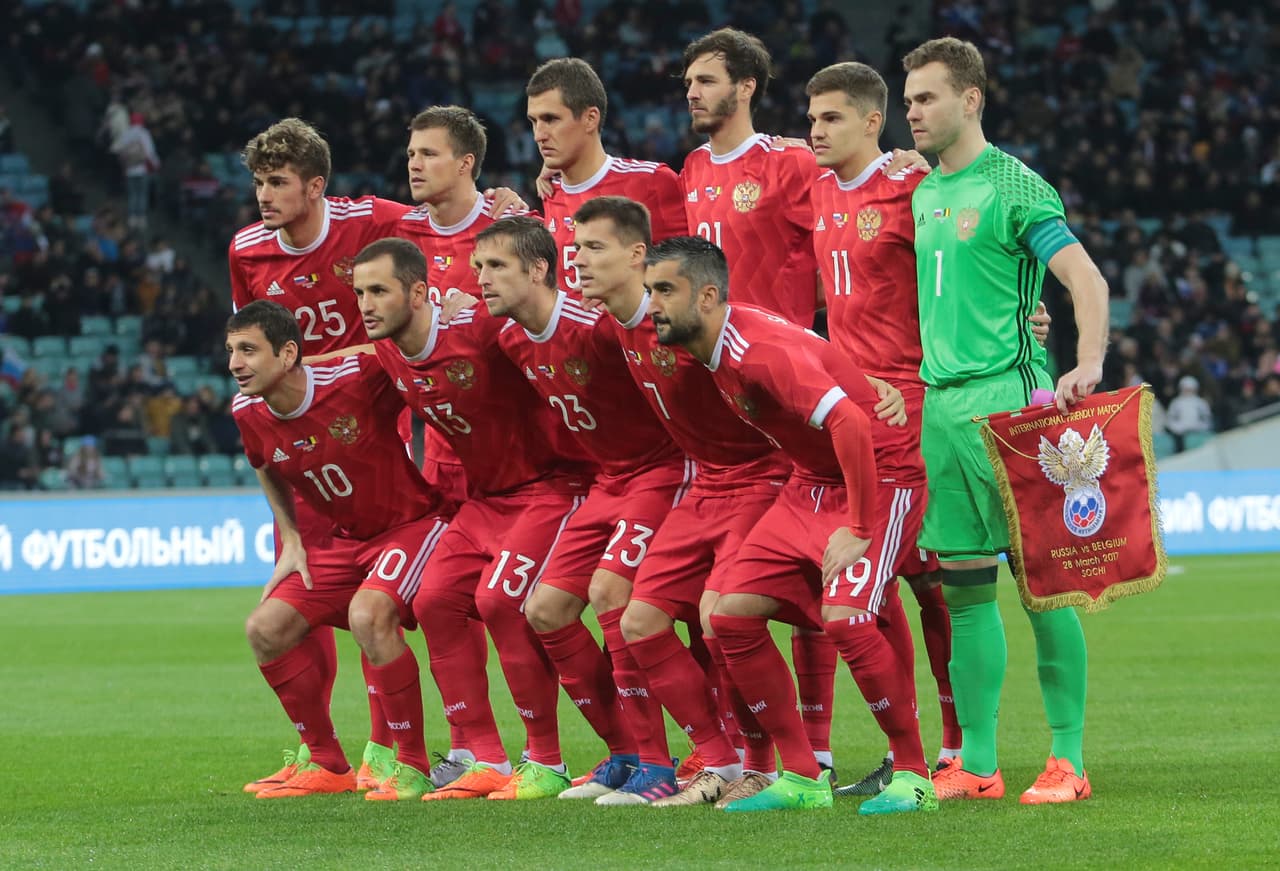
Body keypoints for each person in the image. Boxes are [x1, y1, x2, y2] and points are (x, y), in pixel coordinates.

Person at [645, 236, 935, 815]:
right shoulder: (712, 346)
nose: (653, 303)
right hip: (809, 482)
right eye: (650, 290)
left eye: (664, 290)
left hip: (879, 477)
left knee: (848, 619)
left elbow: (850, 423)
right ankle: (803, 777)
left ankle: (914, 773)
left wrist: (857, 525)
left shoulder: (756, 351)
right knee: (730, 617)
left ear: (706, 297)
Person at [903, 36, 1109, 804]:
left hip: (1010, 401)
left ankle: (1068, 760)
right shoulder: (924, 190)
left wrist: (1086, 361)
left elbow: (1083, 276)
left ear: (971, 100)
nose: (913, 112)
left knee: (1042, 588)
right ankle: (980, 763)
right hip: (941, 405)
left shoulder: (1016, 187)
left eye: (927, 98)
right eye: (909, 99)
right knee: (961, 589)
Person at [569, 196, 791, 806]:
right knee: (639, 619)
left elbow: (773, 348)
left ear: (637, 257)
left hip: (759, 476)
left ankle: (776, 764)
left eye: (594, 248)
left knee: (725, 621)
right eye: (576, 247)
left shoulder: (681, 317)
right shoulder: (611, 328)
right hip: (703, 483)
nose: (579, 261)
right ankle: (713, 761)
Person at [353, 237, 591, 800]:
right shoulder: (387, 350)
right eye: (359, 292)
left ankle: (547, 760)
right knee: (434, 601)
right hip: (485, 501)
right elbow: (344, 365)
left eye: (379, 291)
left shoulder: (482, 328)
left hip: (550, 488)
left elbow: (549, 321)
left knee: (499, 602)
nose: (365, 304)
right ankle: (484, 758)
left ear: (419, 292)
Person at [476, 216, 692, 803]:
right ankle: (623, 750)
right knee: (544, 609)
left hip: (660, 471)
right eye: (477, 268)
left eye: (495, 266)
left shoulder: (595, 326)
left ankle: (659, 765)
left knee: (610, 596)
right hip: (606, 483)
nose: (481, 280)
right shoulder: (512, 340)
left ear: (539, 269)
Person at [228, 300, 451, 799]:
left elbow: (403, 349)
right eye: (230, 351)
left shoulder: (356, 377)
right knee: (265, 628)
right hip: (340, 544)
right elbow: (263, 461)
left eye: (248, 350)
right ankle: (327, 761)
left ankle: (411, 764)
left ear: (288, 354)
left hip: (409, 525)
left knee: (369, 617)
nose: (234, 364)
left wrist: (448, 310)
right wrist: (290, 536)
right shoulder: (247, 410)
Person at [679, 28, 821, 327]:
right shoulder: (693, 165)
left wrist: (787, 310)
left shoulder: (789, 162)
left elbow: (843, 260)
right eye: (690, 82)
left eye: (706, 81)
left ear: (746, 88)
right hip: (711, 354)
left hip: (777, 355)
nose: (692, 93)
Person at [525, 58, 688, 298]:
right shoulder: (550, 192)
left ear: (591, 118)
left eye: (551, 119)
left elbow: (687, 277)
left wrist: (624, 301)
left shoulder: (651, 182)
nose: (539, 135)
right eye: (533, 121)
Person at [1165, 374, 1213, 451]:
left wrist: (1199, 427)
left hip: (1199, 433)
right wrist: (1179, 428)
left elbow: (1207, 418)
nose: (1188, 392)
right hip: (1180, 435)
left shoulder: (1201, 403)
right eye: (1186, 389)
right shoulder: (1176, 403)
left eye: (1191, 390)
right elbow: (1170, 419)